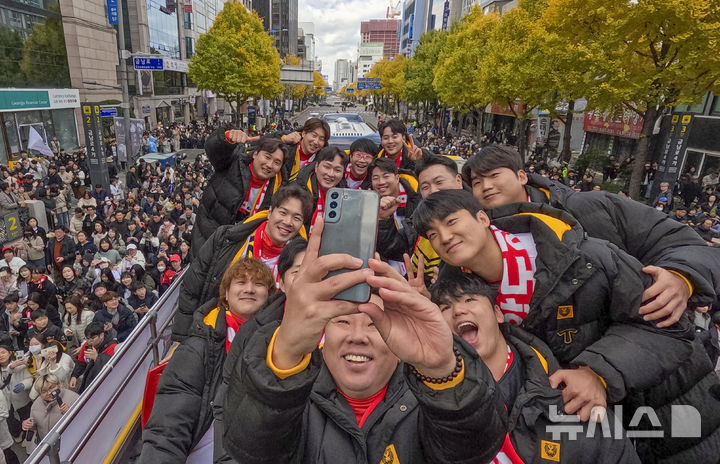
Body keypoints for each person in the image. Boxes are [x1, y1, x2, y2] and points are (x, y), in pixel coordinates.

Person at [412, 189, 720, 462]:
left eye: (451, 222)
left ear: (481, 217)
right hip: (581, 431)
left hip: (666, 409)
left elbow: (669, 325)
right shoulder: (460, 293)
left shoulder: (579, 257)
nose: (445, 237)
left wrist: (597, 373)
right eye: (433, 234)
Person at [221, 217, 507, 463]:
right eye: (342, 321)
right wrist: (284, 357)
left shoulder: (429, 396)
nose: (357, 336)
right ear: (322, 335)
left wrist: (444, 370)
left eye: (374, 325)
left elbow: (473, 449)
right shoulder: (296, 396)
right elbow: (252, 449)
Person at [462, 145, 718, 327]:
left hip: (650, 335)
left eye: (494, 175)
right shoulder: (483, 240)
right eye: (476, 182)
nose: (486, 186)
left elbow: (684, 243)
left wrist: (681, 278)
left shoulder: (592, 206)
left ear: (521, 176)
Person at [430, 274, 640, 463]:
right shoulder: (431, 413)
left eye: (469, 299)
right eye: (445, 308)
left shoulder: (573, 396)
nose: (458, 311)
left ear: (498, 313)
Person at [139, 258, 276, 462]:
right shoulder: (199, 346)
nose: (249, 289)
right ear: (226, 294)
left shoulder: (278, 345)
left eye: (258, 284)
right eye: (241, 282)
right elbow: (168, 427)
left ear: (269, 295)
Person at [175, 185, 313, 342]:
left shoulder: (300, 261)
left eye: (297, 218)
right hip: (215, 333)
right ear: (269, 212)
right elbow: (192, 285)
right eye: (283, 212)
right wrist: (181, 337)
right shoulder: (226, 239)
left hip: (266, 341)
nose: (288, 222)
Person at [192, 134, 286, 256]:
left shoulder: (278, 190)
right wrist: (226, 137)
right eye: (267, 157)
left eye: (277, 162)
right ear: (255, 154)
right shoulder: (234, 162)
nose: (269, 165)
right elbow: (213, 148)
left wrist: (285, 137)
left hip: (240, 251)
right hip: (206, 242)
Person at [369, 157, 420, 275]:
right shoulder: (369, 204)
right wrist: (381, 218)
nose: (381, 182)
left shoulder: (416, 200)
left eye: (386, 176)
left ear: (397, 178)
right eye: (375, 178)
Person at [293, 146, 348, 228]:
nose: (330, 174)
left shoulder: (346, 197)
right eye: (327, 167)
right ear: (316, 167)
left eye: (337, 170)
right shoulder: (295, 191)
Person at [22, 373, 78, 441]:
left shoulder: (74, 398)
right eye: (44, 391)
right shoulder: (36, 405)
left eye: (51, 388)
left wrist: (70, 413)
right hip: (46, 444)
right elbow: (35, 426)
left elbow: (83, 422)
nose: (49, 393)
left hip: (68, 442)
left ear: (59, 384)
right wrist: (29, 425)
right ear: (39, 394)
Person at [70, 322, 118, 393]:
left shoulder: (113, 347)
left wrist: (97, 358)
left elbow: (113, 370)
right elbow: (81, 362)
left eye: (93, 338)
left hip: (104, 386)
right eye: (87, 338)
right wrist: (74, 376)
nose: (89, 341)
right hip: (88, 381)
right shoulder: (87, 345)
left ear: (101, 335)